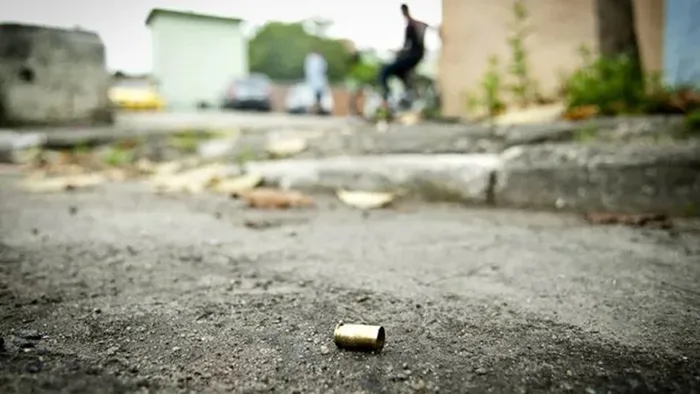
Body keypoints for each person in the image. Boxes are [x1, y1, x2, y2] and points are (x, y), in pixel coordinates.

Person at [377, 4, 440, 115]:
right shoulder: (418, 23)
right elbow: (429, 27)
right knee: (399, 73)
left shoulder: (410, 26)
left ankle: (386, 98)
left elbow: (407, 46)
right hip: (418, 56)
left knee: (385, 71)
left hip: (412, 57)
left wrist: (396, 51)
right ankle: (407, 93)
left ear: (403, 12)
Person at [304, 47, 328, 115]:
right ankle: (315, 110)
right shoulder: (318, 60)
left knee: (316, 97)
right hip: (317, 81)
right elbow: (323, 69)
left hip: (315, 81)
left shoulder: (310, 59)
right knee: (316, 97)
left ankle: (315, 110)